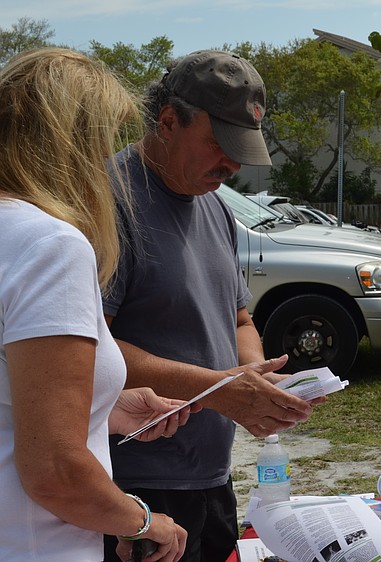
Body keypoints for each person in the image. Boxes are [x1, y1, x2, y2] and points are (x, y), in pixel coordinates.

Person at [102, 50, 316, 562]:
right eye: (220, 144)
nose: (234, 165)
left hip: (212, 479)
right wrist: (222, 391)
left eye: (243, 149)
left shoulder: (214, 206)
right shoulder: (108, 201)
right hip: (134, 490)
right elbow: (87, 347)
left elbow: (239, 318)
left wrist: (252, 382)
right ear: (169, 120)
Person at [0, 48, 190, 562]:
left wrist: (103, 406)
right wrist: (144, 522)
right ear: (72, 145)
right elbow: (56, 469)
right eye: (103, 142)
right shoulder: (48, 245)